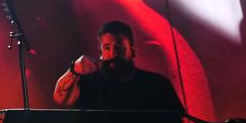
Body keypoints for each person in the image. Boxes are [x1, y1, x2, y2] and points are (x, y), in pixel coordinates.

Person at [52, 19, 184, 111]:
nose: (113, 52)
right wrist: (74, 69)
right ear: (100, 52)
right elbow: (60, 98)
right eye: (107, 47)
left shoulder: (157, 85)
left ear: (132, 49)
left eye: (119, 47)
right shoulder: (89, 83)